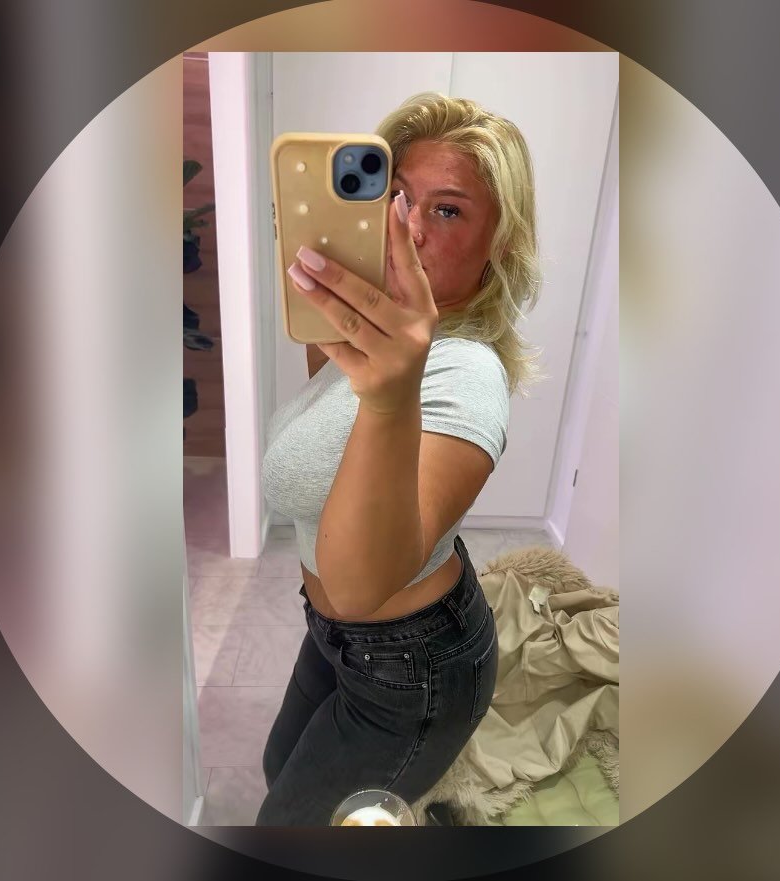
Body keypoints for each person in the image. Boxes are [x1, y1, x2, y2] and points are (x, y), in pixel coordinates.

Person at [256, 92, 543, 826]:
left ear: (500, 241)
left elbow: (359, 589)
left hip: (414, 667)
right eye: (400, 198)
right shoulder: (374, 336)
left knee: (289, 825)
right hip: (333, 638)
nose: (409, 228)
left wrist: (391, 397)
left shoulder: (465, 375)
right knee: (277, 768)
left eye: (447, 211)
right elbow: (326, 437)